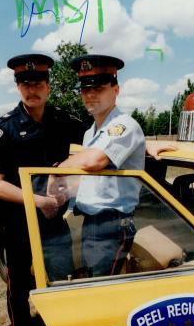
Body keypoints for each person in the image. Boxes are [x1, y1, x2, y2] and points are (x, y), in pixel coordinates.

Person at [0, 54, 84, 326]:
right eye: (25, 83)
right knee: (19, 285)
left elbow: (98, 142)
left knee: (61, 276)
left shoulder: (62, 120)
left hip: (54, 224)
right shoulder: (6, 127)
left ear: (48, 86)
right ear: (17, 87)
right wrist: (38, 200)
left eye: (38, 82)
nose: (32, 89)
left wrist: (143, 144)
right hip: (17, 223)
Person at [52, 54, 175, 277]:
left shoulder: (124, 125)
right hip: (92, 222)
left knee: (98, 289)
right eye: (85, 89)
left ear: (115, 90)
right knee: (88, 281)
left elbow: (94, 160)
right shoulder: (91, 132)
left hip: (112, 225)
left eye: (98, 88)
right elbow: (91, 176)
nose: (90, 94)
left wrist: (57, 170)